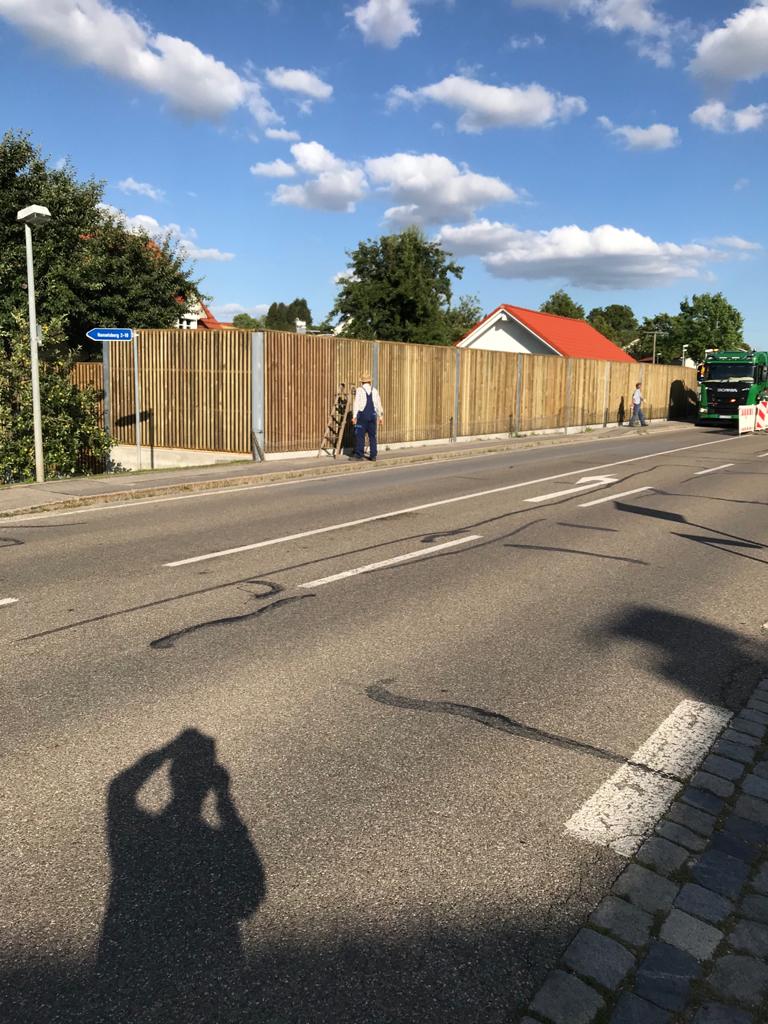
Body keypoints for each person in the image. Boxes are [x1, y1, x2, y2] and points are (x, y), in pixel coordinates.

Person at [351, 373, 383, 461]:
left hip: (362, 417)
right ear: (369, 381)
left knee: (360, 435)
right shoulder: (375, 390)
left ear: (362, 382)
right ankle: (373, 455)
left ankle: (359, 455)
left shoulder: (359, 390)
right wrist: (381, 417)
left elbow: (356, 404)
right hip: (373, 416)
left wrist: (354, 417)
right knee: (372, 436)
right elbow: (378, 404)